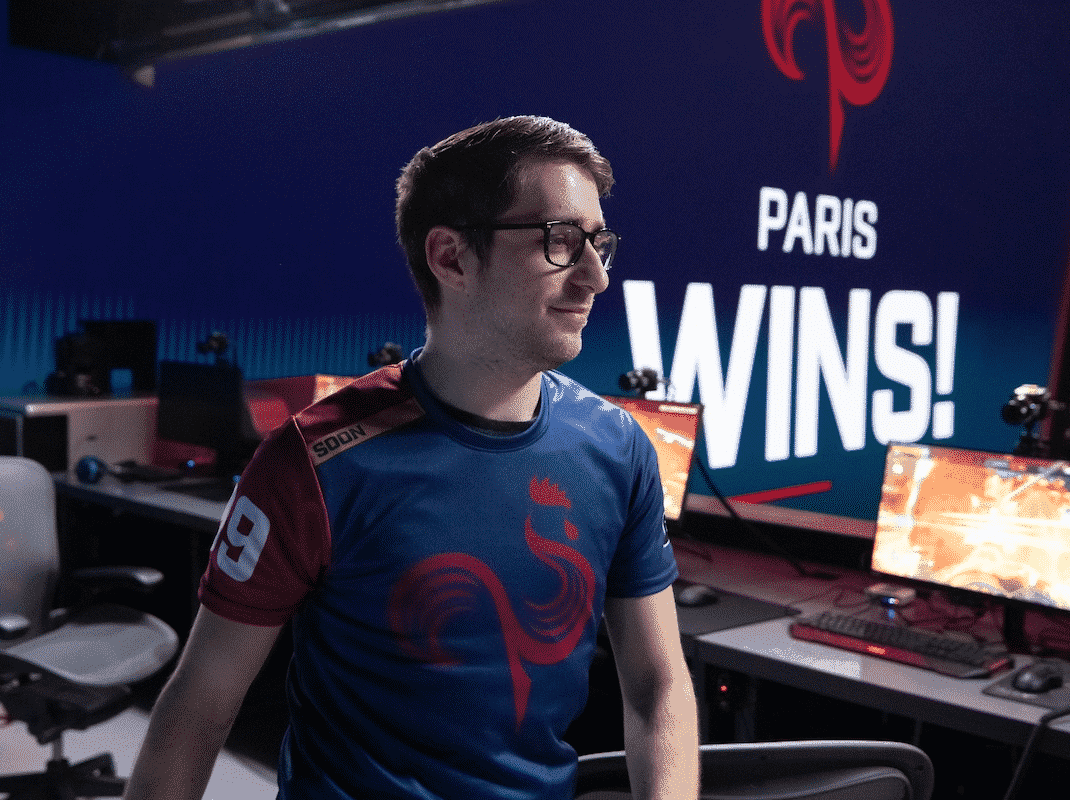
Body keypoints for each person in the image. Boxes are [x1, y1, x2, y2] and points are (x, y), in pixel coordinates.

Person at [124, 115, 699, 800]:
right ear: (451, 256)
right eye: (560, 241)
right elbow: (198, 711)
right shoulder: (312, 463)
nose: (597, 277)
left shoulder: (618, 445)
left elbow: (659, 685)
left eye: (599, 243)